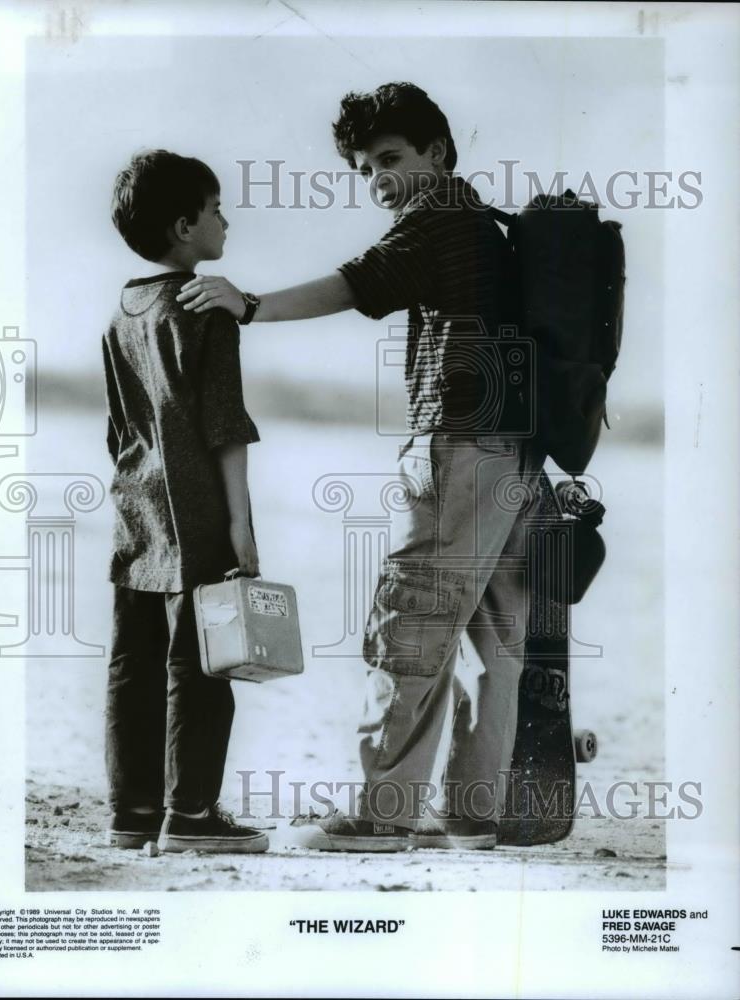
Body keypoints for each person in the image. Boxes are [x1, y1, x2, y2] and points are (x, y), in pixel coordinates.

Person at [178, 83, 544, 852]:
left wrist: (244, 305)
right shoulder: (483, 225)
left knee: (408, 625)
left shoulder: (437, 221)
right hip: (513, 454)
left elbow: (355, 283)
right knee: (494, 642)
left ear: (436, 154)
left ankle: (383, 817)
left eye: (388, 159)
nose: (375, 179)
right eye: (362, 168)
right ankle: (474, 812)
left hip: (457, 444)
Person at [102, 149, 268, 854]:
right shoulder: (207, 311)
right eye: (214, 209)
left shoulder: (122, 313)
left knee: (132, 663)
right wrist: (241, 529)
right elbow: (225, 429)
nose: (225, 220)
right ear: (182, 226)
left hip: (134, 513)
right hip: (197, 512)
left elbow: (118, 430)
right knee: (200, 668)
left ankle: (133, 813)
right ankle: (192, 818)